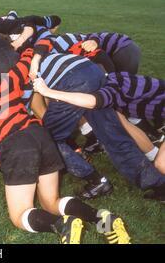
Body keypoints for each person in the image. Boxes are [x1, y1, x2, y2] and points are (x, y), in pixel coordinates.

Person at [0, 54, 130, 244]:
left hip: (16, 148)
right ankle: (103, 220)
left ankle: (62, 225)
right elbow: (21, 69)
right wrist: (29, 55)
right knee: (51, 202)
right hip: (41, 136)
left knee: (19, 214)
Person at [27, 40, 165, 201]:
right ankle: (157, 184)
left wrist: (48, 92)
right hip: (90, 71)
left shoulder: (112, 90)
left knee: (47, 139)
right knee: (113, 136)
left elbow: (93, 101)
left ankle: (95, 180)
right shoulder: (30, 47)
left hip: (75, 81)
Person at [33, 72, 165, 182]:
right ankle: (153, 155)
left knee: (161, 165)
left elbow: (92, 101)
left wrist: (48, 91)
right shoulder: (105, 81)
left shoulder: (112, 87)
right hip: (147, 107)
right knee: (121, 121)